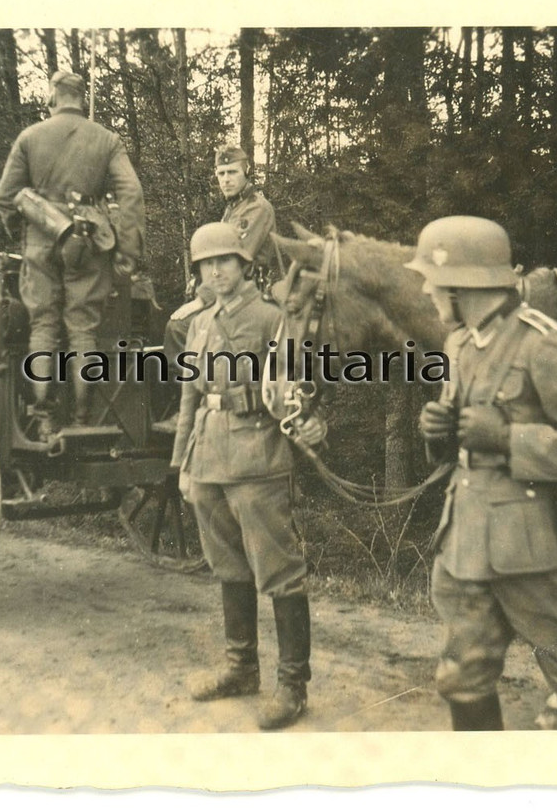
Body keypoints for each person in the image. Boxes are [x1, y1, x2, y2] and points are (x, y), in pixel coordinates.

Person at [406, 216, 557, 731]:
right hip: (467, 546)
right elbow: (464, 444)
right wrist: (438, 432)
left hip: (539, 556)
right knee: (463, 678)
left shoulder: (545, 345)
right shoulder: (460, 346)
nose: (425, 289)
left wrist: (508, 439)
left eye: (432, 280)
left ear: (464, 286)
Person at [170, 222, 325, 731]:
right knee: (228, 567)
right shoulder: (199, 324)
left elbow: (303, 380)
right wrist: (183, 464)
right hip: (210, 456)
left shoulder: (270, 319)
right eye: (206, 264)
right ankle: (241, 669)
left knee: (279, 570)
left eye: (225, 261)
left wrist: (302, 412)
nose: (215, 271)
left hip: (258, 455)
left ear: (245, 265)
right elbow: (190, 396)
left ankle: (292, 684)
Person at [0, 70, 145, 435]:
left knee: (43, 324)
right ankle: (82, 419)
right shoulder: (107, 140)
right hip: (89, 242)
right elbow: (132, 195)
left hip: (41, 242)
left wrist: (25, 234)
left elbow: (5, 197)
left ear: (52, 97)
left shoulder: (30, 138)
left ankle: (44, 418)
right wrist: (127, 249)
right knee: (83, 330)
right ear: (82, 99)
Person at [159, 145, 277, 428]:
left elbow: (232, 265)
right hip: (230, 296)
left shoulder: (256, 209)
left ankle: (192, 407)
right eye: (221, 173)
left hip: (249, 296)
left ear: (246, 171)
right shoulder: (233, 210)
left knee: (178, 329)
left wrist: (200, 301)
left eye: (232, 172)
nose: (226, 179)